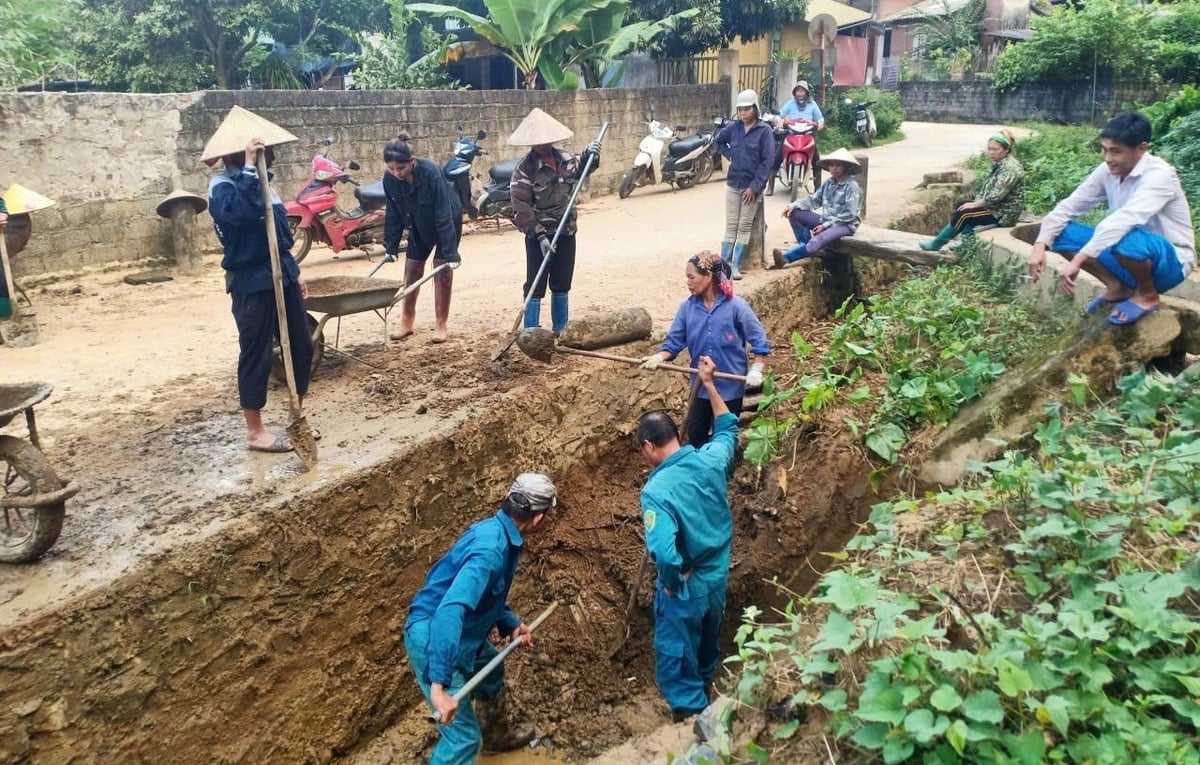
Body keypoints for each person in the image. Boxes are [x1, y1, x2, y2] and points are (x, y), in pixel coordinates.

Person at [404, 472, 557, 763]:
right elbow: (451, 610)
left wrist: (510, 624)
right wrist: (439, 686)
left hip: (463, 632)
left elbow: (487, 594)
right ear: (538, 518)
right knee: (463, 740)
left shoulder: (497, 533)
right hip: (435, 632)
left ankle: (496, 737)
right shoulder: (489, 551)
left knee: (491, 671)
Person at [635, 356, 737, 721]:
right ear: (675, 436)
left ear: (648, 446)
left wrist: (673, 581)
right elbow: (727, 429)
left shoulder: (656, 491)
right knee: (707, 648)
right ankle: (707, 697)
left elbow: (663, 551)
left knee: (677, 663)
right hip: (718, 577)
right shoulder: (711, 459)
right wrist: (709, 384)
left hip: (688, 588)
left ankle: (696, 726)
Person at [1028, 112, 1196, 325]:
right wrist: (1039, 245)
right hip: (1126, 254)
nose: (1108, 158)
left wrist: (1078, 260)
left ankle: (1147, 294)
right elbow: (1068, 206)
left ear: (1141, 148)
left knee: (1126, 235)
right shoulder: (1108, 170)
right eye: (1104, 150)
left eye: (1116, 151)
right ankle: (1118, 287)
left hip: (1170, 262)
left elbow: (1125, 220)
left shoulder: (1160, 175)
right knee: (1059, 232)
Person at [209, 138, 314, 453]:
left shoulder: (271, 189)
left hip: (282, 274)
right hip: (250, 280)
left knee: (301, 345)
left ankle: (297, 415)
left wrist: (295, 273)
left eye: (266, 157)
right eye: (257, 157)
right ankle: (255, 431)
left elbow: (282, 239)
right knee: (257, 352)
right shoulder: (222, 187)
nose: (266, 162)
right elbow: (242, 213)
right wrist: (250, 172)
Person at [642, 251, 770, 447]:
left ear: (709, 276)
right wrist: (659, 356)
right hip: (700, 387)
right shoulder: (687, 308)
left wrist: (757, 368)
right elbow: (675, 342)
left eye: (691, 277)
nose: (688, 282)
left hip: (730, 388)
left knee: (725, 437)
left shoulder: (736, 307)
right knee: (697, 435)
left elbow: (758, 339)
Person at [509, 108, 601, 333]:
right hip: (539, 235)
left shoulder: (566, 159)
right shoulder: (524, 171)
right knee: (536, 282)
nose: (542, 145)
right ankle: (532, 330)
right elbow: (521, 210)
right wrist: (540, 237)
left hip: (566, 230)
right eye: (537, 141)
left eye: (545, 140)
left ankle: (560, 329)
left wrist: (592, 155)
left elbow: (582, 170)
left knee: (562, 280)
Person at [382, 131, 462, 343]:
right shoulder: (390, 180)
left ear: (412, 162)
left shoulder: (431, 173)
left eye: (401, 168)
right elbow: (393, 211)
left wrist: (451, 253)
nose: (397, 173)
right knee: (412, 270)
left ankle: (441, 324)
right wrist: (391, 246)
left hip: (446, 222)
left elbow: (443, 214)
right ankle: (406, 320)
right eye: (391, 169)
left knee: (442, 271)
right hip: (417, 224)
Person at [921, 128, 1024, 251]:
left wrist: (976, 204)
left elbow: (996, 196)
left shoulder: (1010, 169)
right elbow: (988, 189)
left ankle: (937, 244)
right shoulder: (1001, 163)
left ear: (1006, 150)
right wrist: (974, 203)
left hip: (1003, 214)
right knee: (962, 204)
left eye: (995, 149)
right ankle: (966, 242)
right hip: (995, 207)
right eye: (989, 149)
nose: (991, 152)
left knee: (965, 213)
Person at [714, 89, 775, 279]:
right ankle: (723, 266)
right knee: (731, 225)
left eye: (747, 109)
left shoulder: (764, 131)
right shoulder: (734, 127)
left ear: (755, 109)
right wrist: (731, 154)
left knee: (744, 226)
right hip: (734, 183)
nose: (742, 113)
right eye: (740, 109)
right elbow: (718, 141)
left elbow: (767, 162)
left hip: (752, 188)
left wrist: (755, 188)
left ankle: (736, 265)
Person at [772, 148, 864, 267]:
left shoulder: (851, 187)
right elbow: (813, 200)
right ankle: (805, 247)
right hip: (826, 220)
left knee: (818, 239)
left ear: (846, 167)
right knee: (794, 213)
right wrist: (793, 205)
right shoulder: (829, 183)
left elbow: (849, 214)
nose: (834, 168)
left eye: (838, 165)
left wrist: (825, 225)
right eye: (832, 165)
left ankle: (785, 258)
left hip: (844, 224)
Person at [774, 80, 826, 188]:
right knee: (776, 157)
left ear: (806, 92)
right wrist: (780, 121)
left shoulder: (812, 104)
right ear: (794, 93)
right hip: (790, 134)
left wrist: (820, 124)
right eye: (798, 91)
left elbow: (820, 118)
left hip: (808, 135)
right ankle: (770, 185)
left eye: (802, 91)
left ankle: (818, 189)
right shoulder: (790, 103)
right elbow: (780, 115)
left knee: (817, 161)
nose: (800, 93)